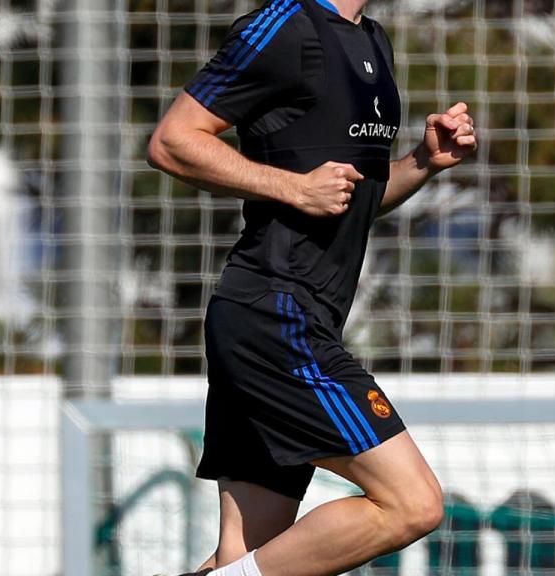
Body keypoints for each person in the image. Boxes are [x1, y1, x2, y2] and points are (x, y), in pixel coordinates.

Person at [146, 0, 477, 574]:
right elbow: (173, 140)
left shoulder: (370, 39)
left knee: (243, 558)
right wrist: (291, 188)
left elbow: (353, 200)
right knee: (412, 503)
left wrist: (423, 161)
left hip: (289, 319)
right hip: (276, 316)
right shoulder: (282, 26)